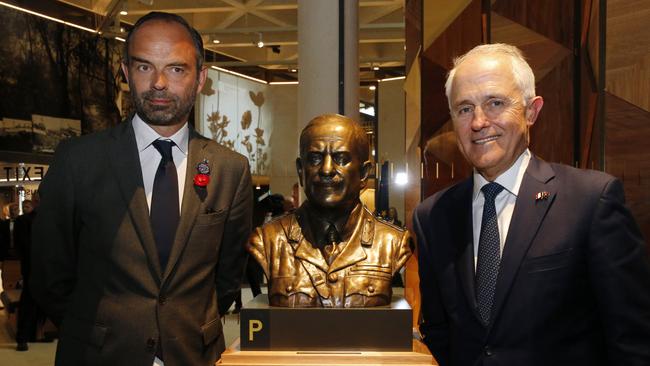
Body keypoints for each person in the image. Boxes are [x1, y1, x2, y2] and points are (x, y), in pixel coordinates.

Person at [31, 12, 253, 366]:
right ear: (125, 73)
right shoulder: (79, 161)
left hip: (193, 354)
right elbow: (49, 272)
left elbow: (227, 277)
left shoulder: (231, 169)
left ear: (200, 80)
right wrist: (97, 329)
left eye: (177, 69)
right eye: (145, 67)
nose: (160, 83)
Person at [413, 43, 650, 366]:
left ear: (531, 111)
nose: (479, 122)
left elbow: (632, 339)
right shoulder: (432, 217)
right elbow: (440, 331)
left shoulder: (591, 201)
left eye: (495, 103)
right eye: (464, 109)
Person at [247, 114, 412, 307]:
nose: (326, 169)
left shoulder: (392, 242)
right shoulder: (267, 240)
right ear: (301, 171)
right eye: (315, 159)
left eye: (341, 159)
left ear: (363, 174)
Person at [14, 192, 48, 351]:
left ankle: (38, 333)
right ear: (36, 200)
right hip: (32, 269)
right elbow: (24, 247)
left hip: (49, 269)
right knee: (27, 302)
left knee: (44, 302)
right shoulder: (23, 220)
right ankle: (22, 337)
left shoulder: (51, 220)